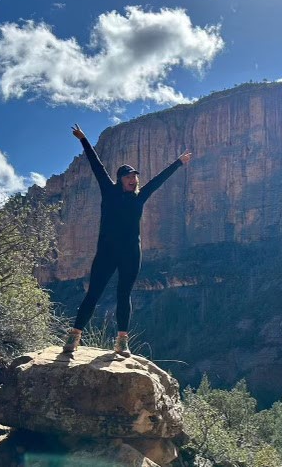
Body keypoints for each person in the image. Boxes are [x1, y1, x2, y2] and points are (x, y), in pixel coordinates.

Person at [63, 124, 192, 356]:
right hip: (106, 252)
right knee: (93, 293)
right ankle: (74, 336)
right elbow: (97, 165)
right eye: (129, 176)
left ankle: (122, 341)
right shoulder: (109, 191)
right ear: (120, 179)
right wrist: (83, 139)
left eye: (135, 176)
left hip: (131, 253)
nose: (133, 179)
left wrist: (178, 162)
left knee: (124, 294)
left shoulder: (140, 196)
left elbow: (158, 180)